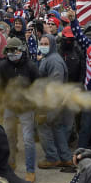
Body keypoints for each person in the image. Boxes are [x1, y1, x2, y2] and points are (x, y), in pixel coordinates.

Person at [0, 37, 39, 181]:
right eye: (10, 51)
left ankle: (30, 170)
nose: (12, 53)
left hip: (26, 107)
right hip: (9, 107)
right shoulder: (3, 67)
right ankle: (10, 163)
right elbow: (0, 87)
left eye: (15, 50)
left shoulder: (31, 66)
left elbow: (38, 87)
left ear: (21, 50)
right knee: (8, 137)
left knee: (27, 140)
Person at [36, 33, 72, 169]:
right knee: (57, 128)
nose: (43, 46)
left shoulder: (54, 60)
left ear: (52, 45)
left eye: (46, 44)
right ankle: (65, 157)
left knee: (43, 126)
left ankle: (51, 157)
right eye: (42, 43)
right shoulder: (49, 58)